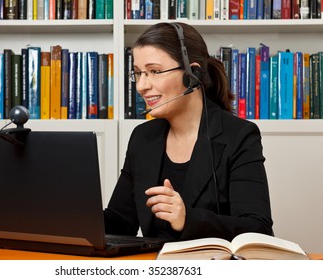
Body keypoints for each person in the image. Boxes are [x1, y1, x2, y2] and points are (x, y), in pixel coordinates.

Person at [104, 22, 273, 242]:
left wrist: (187, 218)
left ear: (192, 74)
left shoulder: (239, 135)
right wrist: (73, 218)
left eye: (154, 71)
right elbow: (121, 220)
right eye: (138, 73)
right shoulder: (142, 137)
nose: (141, 86)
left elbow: (258, 228)